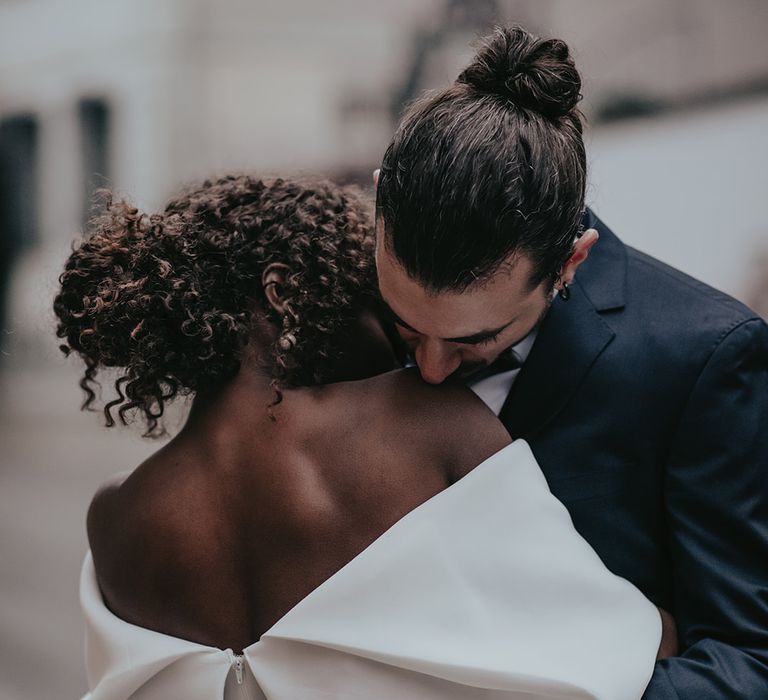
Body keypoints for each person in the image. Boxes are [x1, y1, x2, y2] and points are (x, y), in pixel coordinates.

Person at [56, 175, 669, 700]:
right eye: (381, 309)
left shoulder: (115, 516)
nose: (410, 349)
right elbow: (607, 639)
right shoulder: (428, 425)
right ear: (286, 293)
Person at [374, 24, 768, 698]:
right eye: (407, 331)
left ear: (569, 262)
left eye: (475, 341)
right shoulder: (332, 311)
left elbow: (748, 658)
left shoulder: (704, 356)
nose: (434, 369)